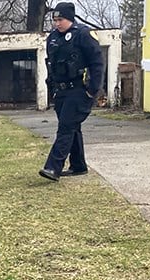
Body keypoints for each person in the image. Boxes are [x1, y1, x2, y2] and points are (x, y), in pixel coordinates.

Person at [39, 2, 104, 182]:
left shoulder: (83, 35)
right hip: (61, 92)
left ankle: (53, 167)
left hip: (79, 90)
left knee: (66, 128)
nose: (57, 23)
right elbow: (51, 65)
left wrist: (93, 90)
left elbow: (97, 63)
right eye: (54, 20)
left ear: (70, 19)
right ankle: (78, 165)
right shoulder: (53, 38)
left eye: (60, 20)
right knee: (72, 127)